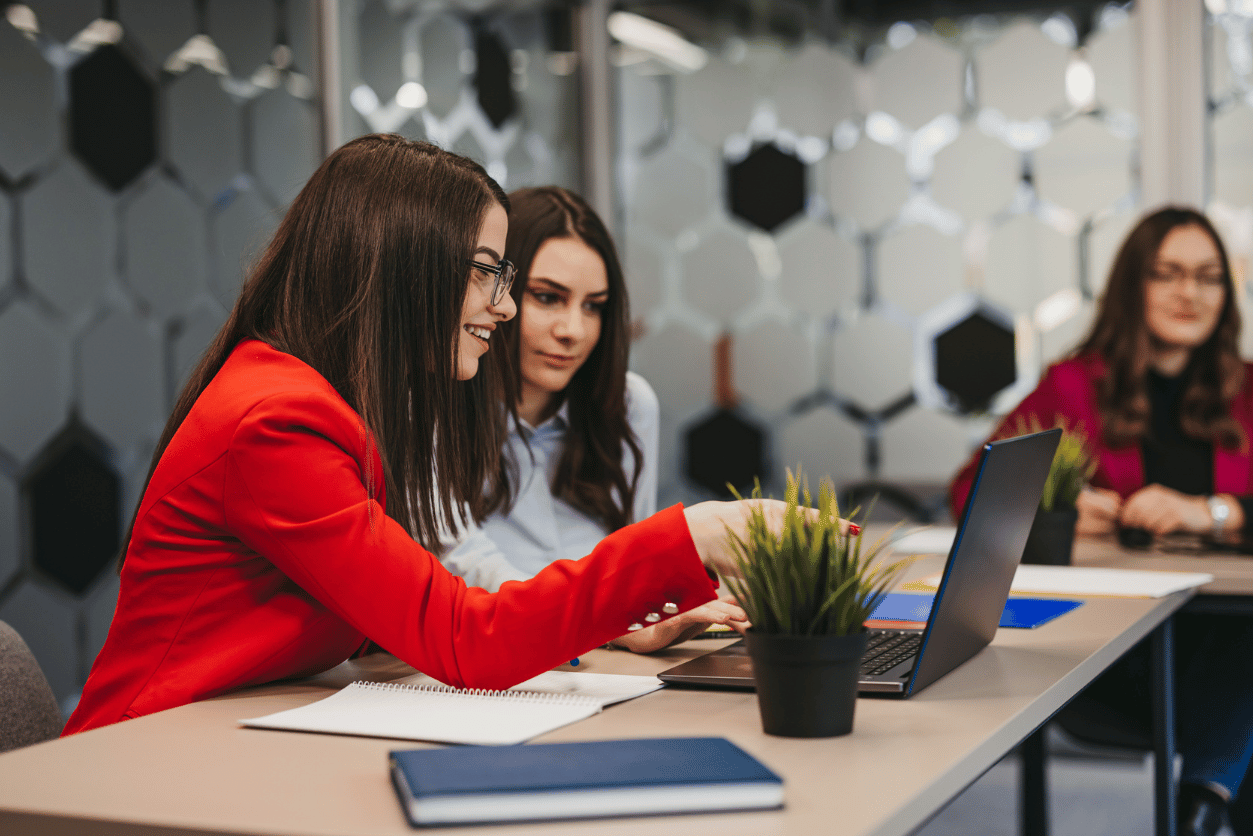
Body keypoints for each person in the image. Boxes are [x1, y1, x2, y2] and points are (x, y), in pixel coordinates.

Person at [61, 135, 810, 736]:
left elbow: (397, 621)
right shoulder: (278, 422)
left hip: (231, 733)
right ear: (404, 269)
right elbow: (466, 638)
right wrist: (694, 534)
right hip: (144, 760)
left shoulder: (321, 402)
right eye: (490, 273)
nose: (508, 307)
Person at [949, 206, 1253, 836]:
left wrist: (1213, 512)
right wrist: (1057, 504)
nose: (1188, 292)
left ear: (1227, 294)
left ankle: (1202, 803)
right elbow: (970, 489)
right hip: (1122, 652)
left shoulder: (1248, 391)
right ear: (1132, 285)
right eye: (1167, 273)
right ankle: (1206, 798)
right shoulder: (1073, 387)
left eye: (1208, 277)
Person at [440, 187, 746, 652]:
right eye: (547, 297)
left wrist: (651, 611)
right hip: (494, 655)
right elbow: (460, 558)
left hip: (614, 660)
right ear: (496, 294)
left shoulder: (628, 404)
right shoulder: (432, 406)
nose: (573, 331)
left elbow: (636, 558)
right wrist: (608, 619)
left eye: (593, 306)